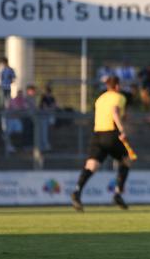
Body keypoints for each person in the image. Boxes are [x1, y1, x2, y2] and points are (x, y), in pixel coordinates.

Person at [70, 76, 132, 212]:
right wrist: (122, 130)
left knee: (91, 166)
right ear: (117, 86)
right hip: (111, 134)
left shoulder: (100, 98)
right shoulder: (119, 97)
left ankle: (77, 191)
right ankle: (117, 193)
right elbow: (115, 112)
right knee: (126, 160)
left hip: (97, 135)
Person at [38, 85, 57, 152]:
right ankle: (44, 145)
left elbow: (54, 106)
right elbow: (44, 107)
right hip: (43, 117)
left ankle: (46, 144)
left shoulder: (52, 98)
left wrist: (50, 108)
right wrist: (50, 108)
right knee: (43, 130)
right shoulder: (43, 98)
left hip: (49, 116)